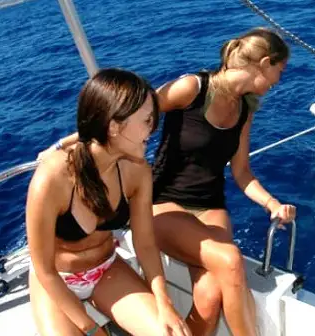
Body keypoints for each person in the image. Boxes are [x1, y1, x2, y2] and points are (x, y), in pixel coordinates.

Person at [38, 27, 297, 336]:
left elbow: (241, 171)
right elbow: (128, 116)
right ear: (265, 62)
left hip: (210, 206)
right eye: (279, 71)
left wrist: (272, 204)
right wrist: (67, 143)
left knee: (212, 291)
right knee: (229, 260)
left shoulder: (244, 111)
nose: (278, 80)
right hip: (165, 203)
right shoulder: (191, 88)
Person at [27, 68, 190, 336]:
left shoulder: (137, 172)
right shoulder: (53, 178)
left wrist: (164, 302)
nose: (152, 129)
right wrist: (90, 328)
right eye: (147, 120)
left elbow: (146, 243)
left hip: (106, 270)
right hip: (56, 281)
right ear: (114, 126)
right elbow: (45, 270)